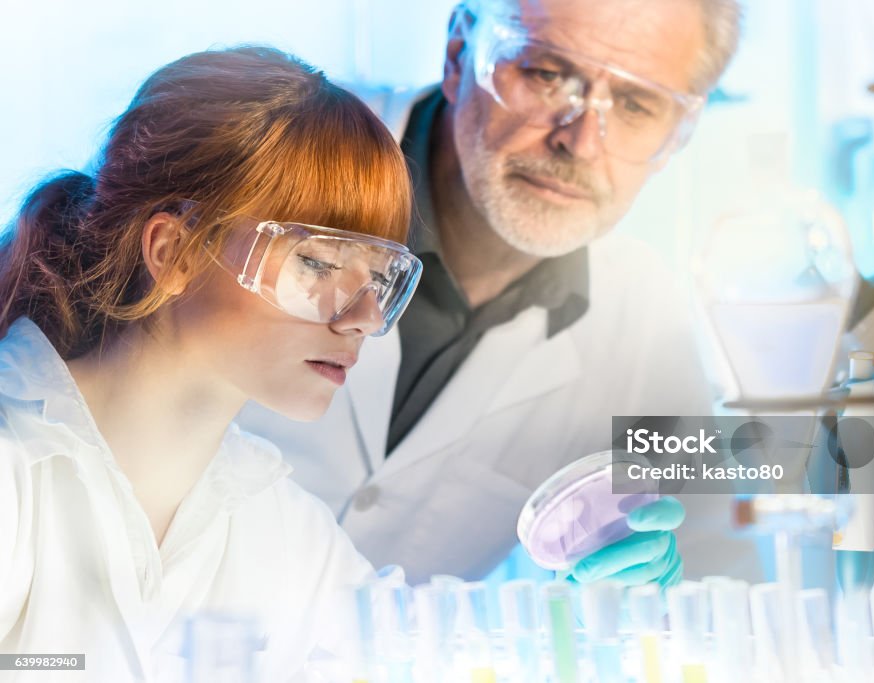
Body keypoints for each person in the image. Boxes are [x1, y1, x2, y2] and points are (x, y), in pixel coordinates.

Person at [238, 0, 749, 585]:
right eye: (547, 75)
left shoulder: (643, 319)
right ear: (459, 52)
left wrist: (640, 604)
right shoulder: (267, 154)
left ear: (679, 134)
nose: (580, 143)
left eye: (635, 105)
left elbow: (720, 575)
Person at [0, 47, 420, 681]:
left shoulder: (280, 527)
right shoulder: (15, 471)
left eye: (382, 278)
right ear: (174, 253)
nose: (363, 316)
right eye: (318, 263)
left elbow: (430, 648)